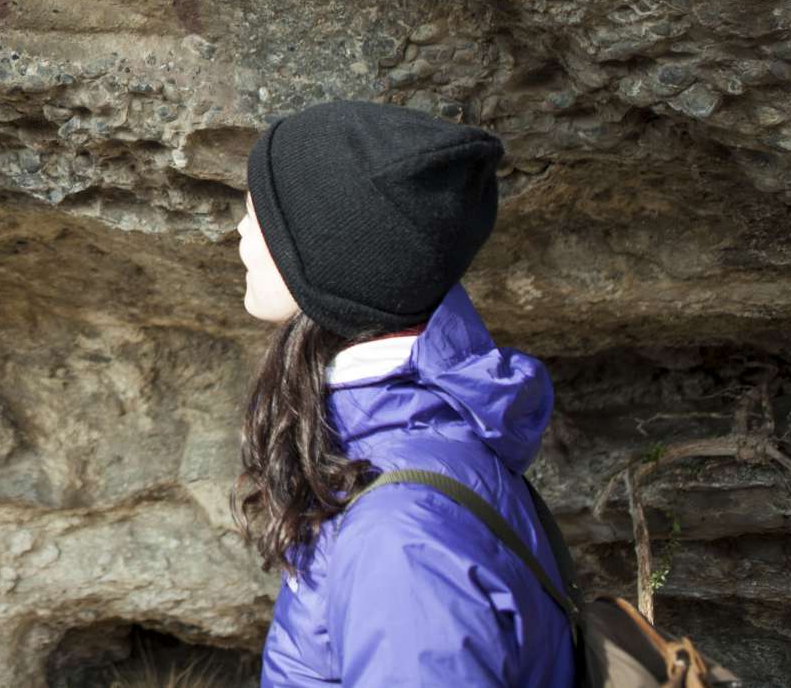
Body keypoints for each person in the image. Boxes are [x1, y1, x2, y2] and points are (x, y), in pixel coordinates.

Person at [233, 100, 575, 687]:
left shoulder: (403, 543)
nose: (240, 229)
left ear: (334, 260)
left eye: (260, 213)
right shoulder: (444, 432)